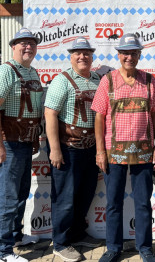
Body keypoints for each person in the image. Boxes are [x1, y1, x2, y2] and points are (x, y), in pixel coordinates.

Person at [91, 33, 155, 262]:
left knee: (143, 204)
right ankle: (113, 248)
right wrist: (100, 151)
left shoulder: (150, 80)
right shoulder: (108, 81)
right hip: (114, 154)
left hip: (144, 152)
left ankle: (145, 249)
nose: (129, 57)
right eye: (125, 53)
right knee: (113, 204)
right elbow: (99, 118)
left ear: (139, 54)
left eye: (133, 52)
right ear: (119, 55)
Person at [44, 37, 101, 262]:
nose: (82, 57)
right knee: (65, 198)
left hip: (90, 148)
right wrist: (55, 149)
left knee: (85, 193)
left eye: (86, 53)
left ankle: (77, 233)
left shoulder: (97, 80)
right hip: (68, 147)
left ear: (92, 56)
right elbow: (50, 114)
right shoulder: (62, 80)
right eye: (77, 53)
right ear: (71, 56)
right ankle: (60, 242)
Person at [0, 28, 42, 262]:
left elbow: (33, 111)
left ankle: (15, 236)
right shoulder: (6, 71)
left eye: (32, 43)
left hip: (26, 142)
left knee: (20, 194)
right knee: (7, 198)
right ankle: (3, 251)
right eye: (23, 43)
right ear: (13, 46)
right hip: (10, 142)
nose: (28, 47)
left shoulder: (33, 72)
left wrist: (35, 138)